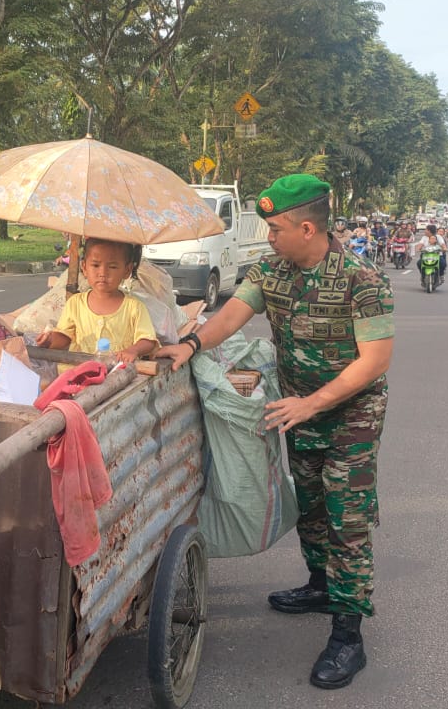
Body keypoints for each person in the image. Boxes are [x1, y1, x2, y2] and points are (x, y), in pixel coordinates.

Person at [156, 174, 393, 690]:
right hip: (296, 408)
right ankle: (319, 583)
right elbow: (231, 317)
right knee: (308, 501)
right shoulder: (271, 271)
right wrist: (190, 346)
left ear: (307, 228)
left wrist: (314, 403)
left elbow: (374, 361)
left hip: (351, 413)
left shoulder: (361, 279)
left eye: (275, 227)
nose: (268, 236)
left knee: (345, 518)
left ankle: (348, 634)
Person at [35, 238, 158, 366]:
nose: (102, 273)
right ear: (84, 267)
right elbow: (65, 337)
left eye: (112, 266)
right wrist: (49, 341)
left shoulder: (134, 307)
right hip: (78, 375)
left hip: (118, 376)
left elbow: (148, 339)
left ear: (127, 270)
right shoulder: (75, 303)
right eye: (95, 265)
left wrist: (133, 350)